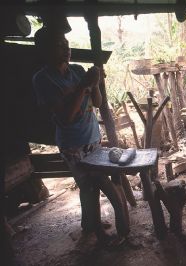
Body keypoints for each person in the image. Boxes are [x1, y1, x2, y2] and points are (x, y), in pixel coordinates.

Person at [32, 26, 129, 245]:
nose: (66, 47)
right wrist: (84, 85)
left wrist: (94, 84)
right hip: (72, 145)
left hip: (92, 138)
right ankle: (99, 233)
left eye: (66, 42)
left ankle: (89, 224)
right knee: (91, 184)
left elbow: (97, 103)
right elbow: (65, 118)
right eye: (59, 44)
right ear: (45, 50)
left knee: (90, 185)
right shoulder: (43, 80)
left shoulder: (76, 70)